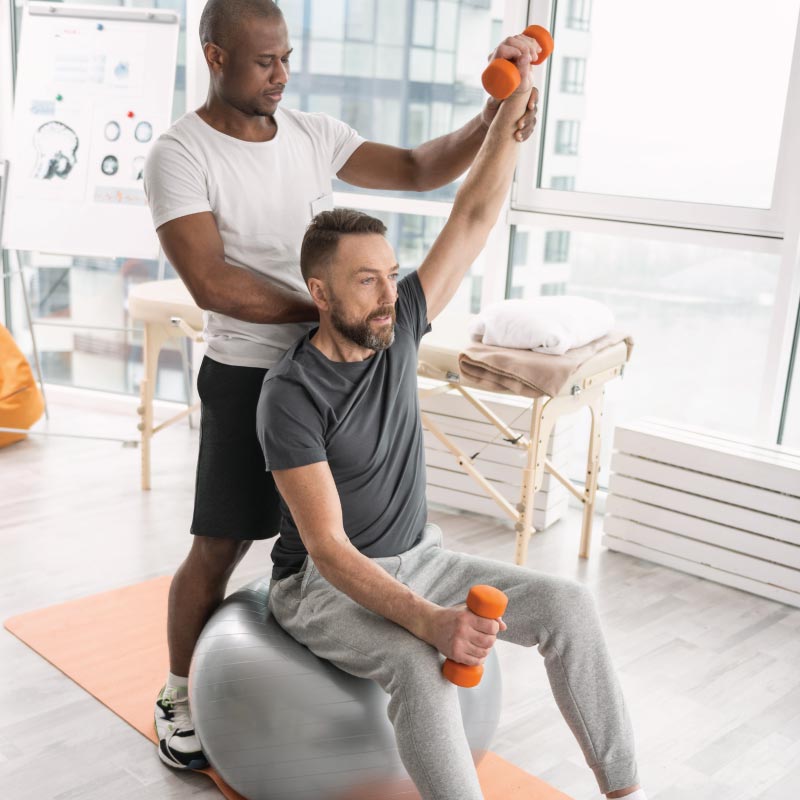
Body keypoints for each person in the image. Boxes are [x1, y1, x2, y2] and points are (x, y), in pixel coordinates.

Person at [143, 0, 540, 771]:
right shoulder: (180, 153)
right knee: (221, 544)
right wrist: (334, 304)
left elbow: (424, 169)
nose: (281, 75)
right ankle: (178, 690)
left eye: (286, 57)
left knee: (345, 542)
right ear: (215, 56)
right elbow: (210, 281)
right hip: (249, 374)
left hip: (339, 375)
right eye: (263, 62)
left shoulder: (312, 132)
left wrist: (492, 118)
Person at [256, 39, 647, 800]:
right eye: (365, 281)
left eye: (390, 274)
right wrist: (430, 623)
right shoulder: (291, 393)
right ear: (321, 293)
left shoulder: (396, 325)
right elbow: (330, 550)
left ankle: (626, 789)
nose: (386, 293)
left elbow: (471, 215)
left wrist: (508, 110)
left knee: (568, 603)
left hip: (423, 556)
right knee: (415, 664)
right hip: (322, 588)